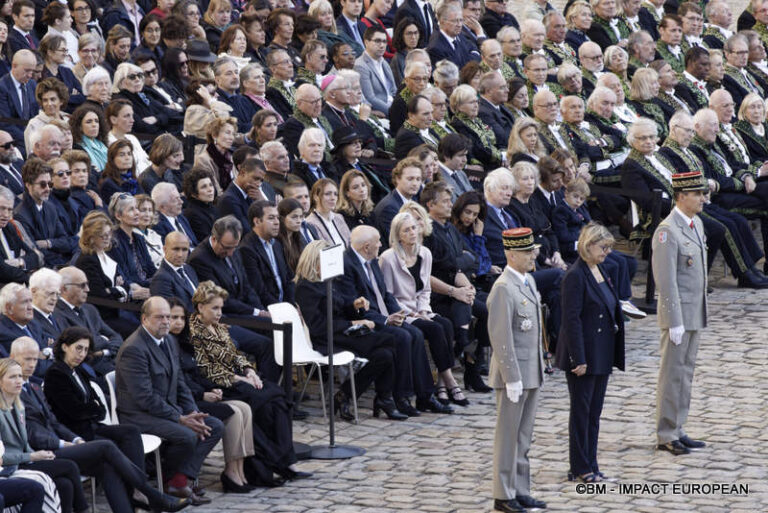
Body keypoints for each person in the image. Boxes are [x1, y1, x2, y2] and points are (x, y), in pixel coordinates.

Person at [10, 336, 190, 513]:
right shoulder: (13, 392)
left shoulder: (33, 387)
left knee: (108, 467)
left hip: (66, 441)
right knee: (106, 446)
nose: (32, 364)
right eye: (27, 359)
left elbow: (55, 423)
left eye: (35, 359)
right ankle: (151, 494)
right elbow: (34, 433)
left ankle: (139, 500)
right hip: (41, 452)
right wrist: (65, 443)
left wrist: (76, 439)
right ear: (12, 358)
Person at [188, 281, 309, 482]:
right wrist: (240, 378)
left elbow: (236, 355)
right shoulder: (193, 332)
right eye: (215, 308)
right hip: (219, 384)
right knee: (263, 404)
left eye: (221, 308)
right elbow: (207, 369)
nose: (219, 313)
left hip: (238, 380)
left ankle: (288, 462)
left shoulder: (218, 327)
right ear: (201, 307)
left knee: (278, 401)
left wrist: (250, 371)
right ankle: (270, 465)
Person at [115, 296, 223, 503]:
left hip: (166, 410)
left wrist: (192, 412)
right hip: (139, 415)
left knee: (213, 426)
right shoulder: (134, 349)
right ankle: (171, 481)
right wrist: (180, 419)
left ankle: (178, 480)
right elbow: (144, 398)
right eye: (160, 317)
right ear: (144, 319)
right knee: (187, 435)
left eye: (168, 317)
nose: (166, 321)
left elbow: (180, 383)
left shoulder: (169, 341)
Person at [294, 240, 405, 420]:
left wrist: (354, 304)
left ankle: (349, 396)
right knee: (390, 340)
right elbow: (318, 326)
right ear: (315, 262)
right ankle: (382, 399)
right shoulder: (306, 287)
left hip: (343, 333)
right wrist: (354, 322)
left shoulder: (329, 281)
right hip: (327, 338)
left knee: (385, 354)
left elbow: (341, 306)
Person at [554, 222, 625, 483]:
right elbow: (571, 320)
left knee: (594, 413)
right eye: (603, 247)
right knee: (581, 413)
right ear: (589, 245)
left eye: (609, 247)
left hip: (602, 352)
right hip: (584, 354)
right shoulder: (575, 275)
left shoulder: (601, 270)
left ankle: (592, 462)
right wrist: (578, 358)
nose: (607, 252)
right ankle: (580, 466)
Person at [379, 212, 469, 406]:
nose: (412, 233)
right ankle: (449, 381)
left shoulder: (424, 253)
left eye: (414, 228)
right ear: (398, 235)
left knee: (445, 324)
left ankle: (442, 384)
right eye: (407, 230)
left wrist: (424, 311)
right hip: (401, 311)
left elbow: (425, 289)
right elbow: (388, 296)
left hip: (420, 307)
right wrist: (413, 314)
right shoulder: (388, 258)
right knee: (435, 329)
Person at [487, 227, 547, 513]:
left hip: (530, 371)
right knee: (508, 436)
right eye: (526, 251)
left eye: (532, 250)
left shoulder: (528, 281)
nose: (532, 255)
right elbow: (501, 337)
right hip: (514, 375)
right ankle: (503, 493)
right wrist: (511, 376)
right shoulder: (503, 288)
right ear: (511, 254)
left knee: (524, 436)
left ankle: (521, 488)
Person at [651, 171, 708, 456]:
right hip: (678, 316)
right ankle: (666, 432)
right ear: (681, 196)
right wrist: (673, 319)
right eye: (696, 194)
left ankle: (678, 426)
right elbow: (666, 279)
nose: (702, 198)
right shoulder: (667, 231)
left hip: (694, 313)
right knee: (671, 374)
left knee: (685, 374)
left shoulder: (695, 223)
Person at [0, 357, 89, 513]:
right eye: (12, 377)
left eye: (20, 376)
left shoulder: (19, 407)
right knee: (70, 466)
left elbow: (24, 443)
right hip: (10, 466)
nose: (19, 381)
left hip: (24, 459)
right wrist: (32, 457)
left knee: (65, 484)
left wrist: (37, 454)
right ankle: (84, 510)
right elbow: (3, 457)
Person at [54, 267, 122, 374]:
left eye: (87, 284)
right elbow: (86, 346)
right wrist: (103, 342)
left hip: (109, 361)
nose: (87, 289)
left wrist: (105, 351)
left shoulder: (90, 309)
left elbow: (116, 336)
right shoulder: (57, 313)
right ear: (64, 289)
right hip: (90, 369)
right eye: (82, 285)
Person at [14, 157, 78, 267]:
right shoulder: (20, 215)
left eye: (50, 184)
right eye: (43, 184)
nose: (48, 189)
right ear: (28, 185)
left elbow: (66, 242)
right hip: (44, 268)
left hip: (60, 263)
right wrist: (55, 245)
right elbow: (35, 252)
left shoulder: (50, 207)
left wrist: (48, 243)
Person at [24, 78, 70, 154]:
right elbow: (31, 153)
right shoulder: (34, 124)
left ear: (61, 101)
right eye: (45, 100)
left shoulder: (68, 120)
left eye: (53, 99)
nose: (49, 104)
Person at [306, 178, 351, 247]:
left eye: (335, 194)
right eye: (328, 194)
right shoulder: (310, 222)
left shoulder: (339, 217)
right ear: (316, 197)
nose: (333, 198)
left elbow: (350, 243)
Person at [182, 167, 220, 243]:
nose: (210, 190)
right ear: (193, 193)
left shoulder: (211, 206)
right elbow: (207, 240)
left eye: (211, 185)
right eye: (204, 187)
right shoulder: (192, 214)